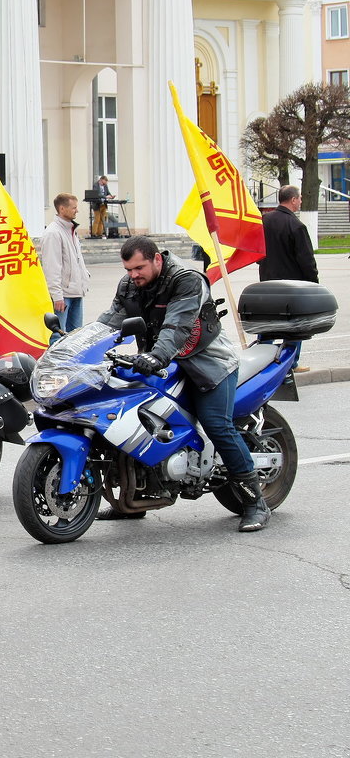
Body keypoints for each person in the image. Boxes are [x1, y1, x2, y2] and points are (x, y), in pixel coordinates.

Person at [96, 236, 270, 532]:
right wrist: (73, 345)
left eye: (139, 267)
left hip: (208, 366)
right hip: (163, 365)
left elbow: (177, 326)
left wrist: (156, 356)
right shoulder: (129, 285)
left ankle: (255, 503)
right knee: (127, 418)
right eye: (129, 269)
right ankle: (131, 500)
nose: (133, 274)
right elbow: (108, 322)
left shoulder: (186, 280)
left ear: (157, 259)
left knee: (217, 424)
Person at [259, 185, 318, 372]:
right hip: (292, 285)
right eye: (299, 198)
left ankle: (261, 361)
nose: (300, 201)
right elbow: (306, 258)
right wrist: (314, 282)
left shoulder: (264, 221)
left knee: (268, 321)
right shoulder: (296, 225)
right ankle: (290, 363)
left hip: (267, 282)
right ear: (293, 200)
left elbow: (256, 251)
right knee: (294, 325)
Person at [41, 192, 90, 339]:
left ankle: (72, 362)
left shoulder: (70, 230)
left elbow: (76, 260)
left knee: (75, 337)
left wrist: (84, 279)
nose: (77, 210)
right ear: (62, 209)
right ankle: (55, 362)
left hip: (76, 291)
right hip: (63, 295)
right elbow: (52, 267)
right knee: (57, 336)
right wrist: (57, 296)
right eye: (74, 207)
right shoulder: (53, 233)